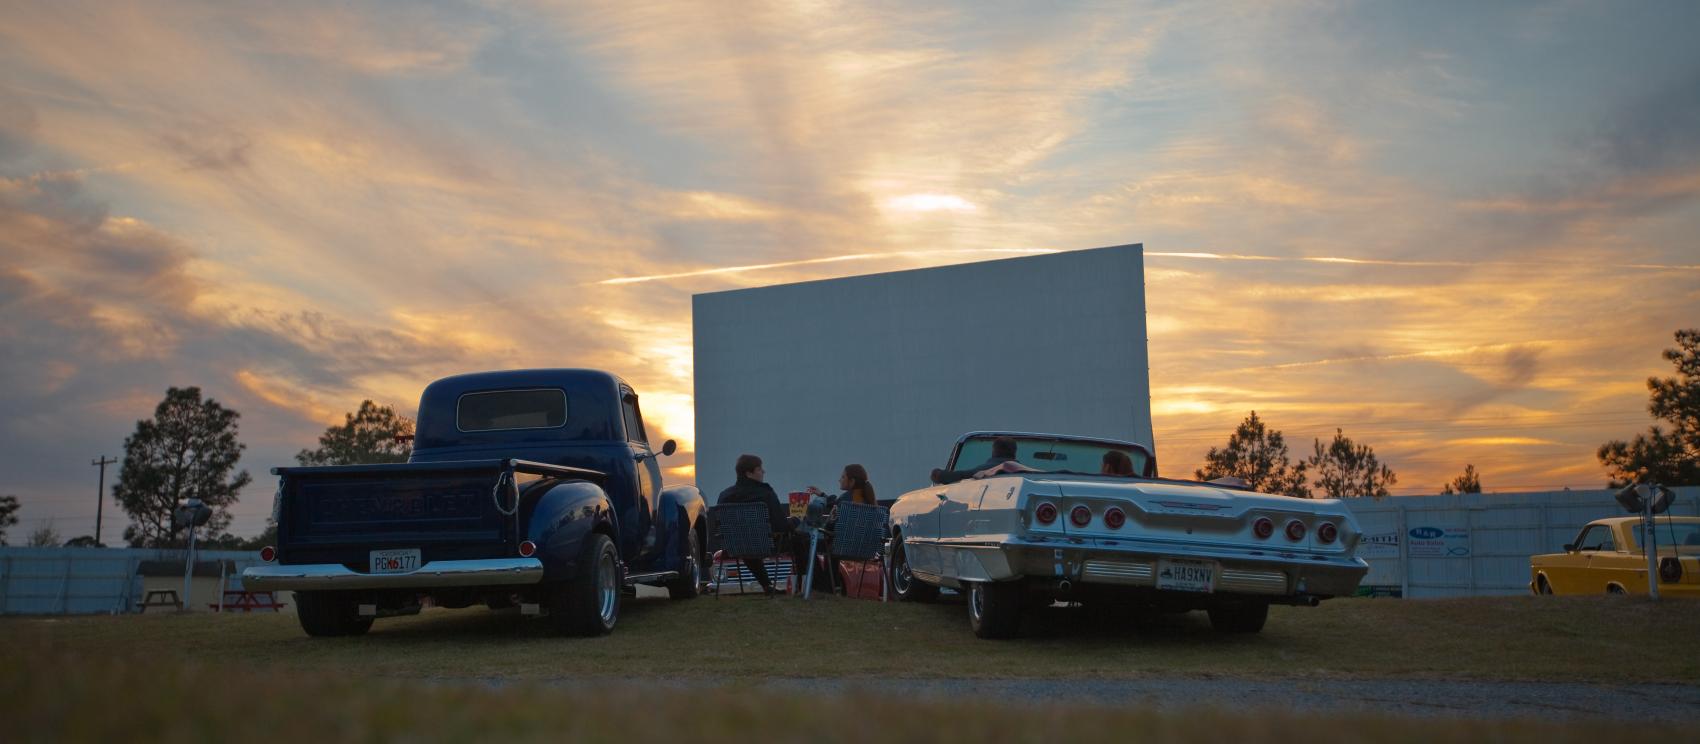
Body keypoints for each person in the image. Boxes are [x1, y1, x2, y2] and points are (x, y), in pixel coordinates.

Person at [716, 454, 793, 595]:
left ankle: (767, 586)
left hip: (734, 546)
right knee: (802, 540)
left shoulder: (724, 495)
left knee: (748, 540)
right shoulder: (765, 493)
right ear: (748, 473)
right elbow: (781, 526)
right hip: (767, 545)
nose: (763, 472)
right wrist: (796, 520)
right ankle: (807, 585)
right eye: (759, 469)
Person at [933, 436, 1021, 484]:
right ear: (1014, 452)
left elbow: (959, 475)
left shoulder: (984, 470)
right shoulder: (1025, 472)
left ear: (994, 450)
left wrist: (938, 474)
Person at [807, 463, 877, 506]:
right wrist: (821, 494)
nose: (839, 480)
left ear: (852, 481)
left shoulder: (846, 500)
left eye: (843, 477)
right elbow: (835, 503)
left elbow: (835, 505)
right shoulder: (869, 499)